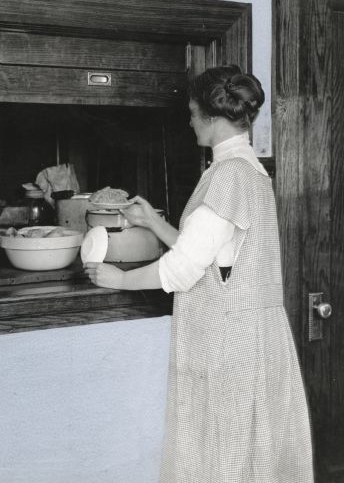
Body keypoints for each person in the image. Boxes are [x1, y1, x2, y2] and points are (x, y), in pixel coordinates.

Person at [85, 64, 313, 483]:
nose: (189, 122)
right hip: (254, 335)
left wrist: (118, 280)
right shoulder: (250, 170)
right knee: (250, 453)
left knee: (221, 456)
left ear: (210, 117)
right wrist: (154, 223)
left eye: (192, 113)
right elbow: (216, 253)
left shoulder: (226, 176)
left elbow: (184, 269)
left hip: (226, 342)